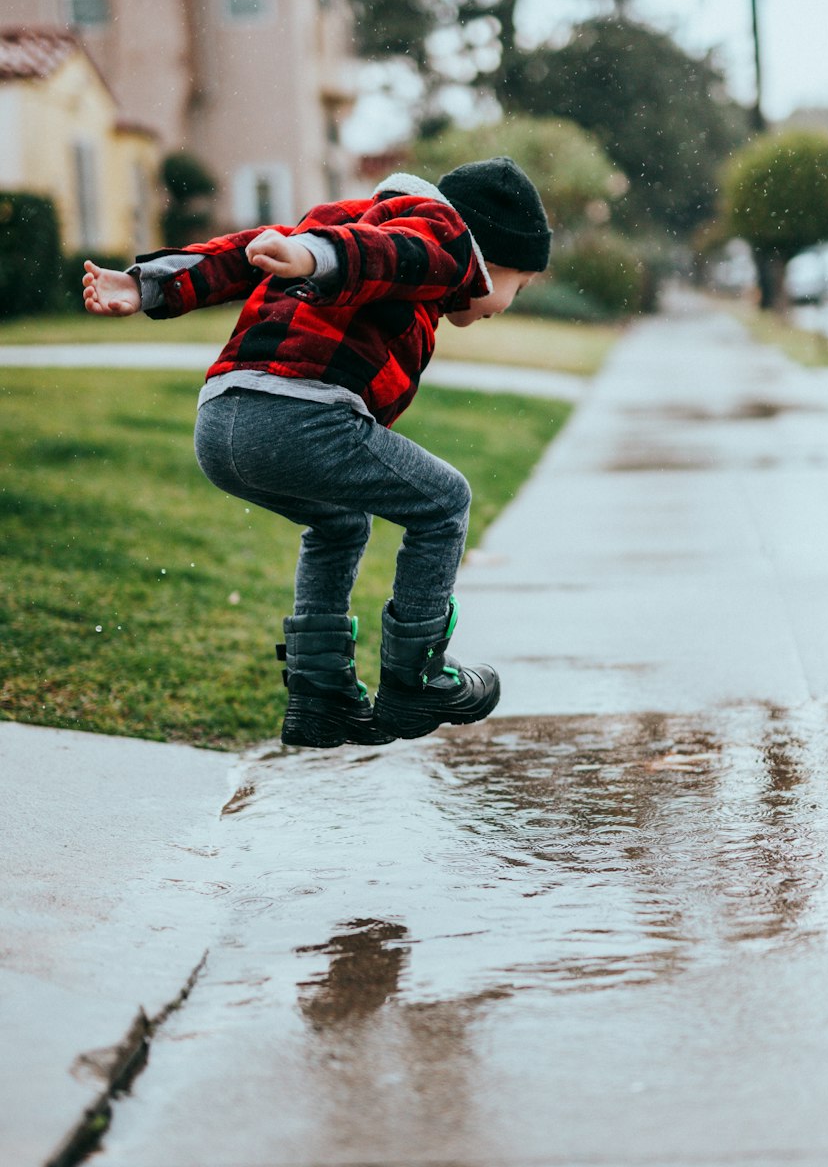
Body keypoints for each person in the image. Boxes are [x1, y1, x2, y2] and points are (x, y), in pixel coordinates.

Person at [82, 158, 551, 748]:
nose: (508, 302)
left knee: (339, 521)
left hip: (222, 421)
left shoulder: (344, 218)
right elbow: (392, 253)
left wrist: (149, 283)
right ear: (494, 257)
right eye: (522, 285)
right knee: (444, 500)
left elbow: (245, 252)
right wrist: (318, 260)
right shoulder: (446, 241)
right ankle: (416, 680)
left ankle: (321, 694)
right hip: (299, 416)